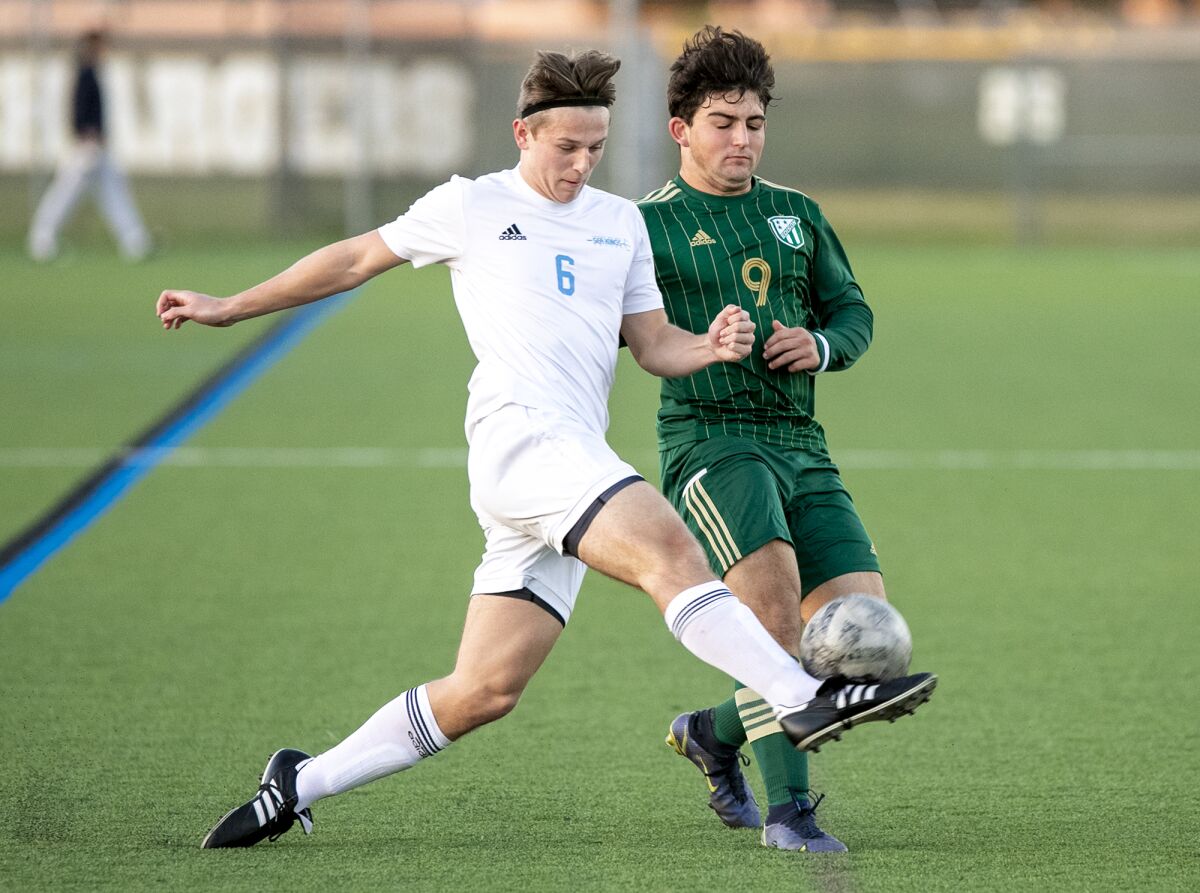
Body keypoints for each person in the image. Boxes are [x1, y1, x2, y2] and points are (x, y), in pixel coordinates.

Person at [155, 48, 936, 850]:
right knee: (669, 547)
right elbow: (354, 258)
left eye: (595, 147)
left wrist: (711, 345)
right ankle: (803, 694)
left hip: (565, 462)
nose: (581, 162)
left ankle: (300, 779)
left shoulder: (617, 222)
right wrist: (228, 306)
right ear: (522, 133)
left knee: (485, 689)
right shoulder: (471, 204)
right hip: (521, 441)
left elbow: (653, 343)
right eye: (565, 146)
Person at [638, 27, 933, 852]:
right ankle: (790, 812)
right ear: (681, 130)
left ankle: (714, 730)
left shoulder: (797, 214)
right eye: (724, 122)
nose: (742, 138)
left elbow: (855, 313)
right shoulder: (643, 228)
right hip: (713, 441)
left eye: (755, 123)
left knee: (857, 639)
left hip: (802, 441)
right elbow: (626, 335)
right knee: (771, 622)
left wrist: (823, 344)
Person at [28, 28, 151, 262]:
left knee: (114, 190)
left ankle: (135, 240)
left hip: (96, 146)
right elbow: (80, 109)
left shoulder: (91, 71)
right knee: (66, 193)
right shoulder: (85, 72)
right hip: (86, 145)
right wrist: (87, 135)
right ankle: (41, 239)